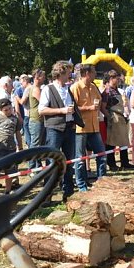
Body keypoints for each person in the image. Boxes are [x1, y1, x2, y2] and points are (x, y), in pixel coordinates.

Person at [39, 60, 77, 199]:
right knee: (52, 162)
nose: (70, 75)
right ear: (60, 73)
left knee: (69, 161)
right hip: (54, 129)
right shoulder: (48, 89)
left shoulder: (68, 89)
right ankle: (47, 195)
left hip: (69, 128)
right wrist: (62, 110)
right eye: (68, 73)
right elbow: (41, 110)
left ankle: (68, 193)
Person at [70, 64, 108, 191]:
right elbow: (72, 108)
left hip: (94, 127)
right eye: (93, 72)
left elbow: (99, 100)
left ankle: (102, 182)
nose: (95, 74)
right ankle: (81, 184)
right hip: (81, 128)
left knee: (102, 154)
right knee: (80, 158)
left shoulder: (93, 87)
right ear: (87, 73)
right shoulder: (75, 88)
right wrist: (89, 108)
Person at [0, 97, 23, 193]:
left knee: (10, 172)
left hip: (11, 149)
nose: (8, 111)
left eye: (10, 109)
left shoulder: (15, 119)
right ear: (1, 110)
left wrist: (20, 147)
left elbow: (18, 134)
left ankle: (7, 191)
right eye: (5, 110)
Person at [102, 70, 134, 170]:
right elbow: (102, 107)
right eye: (116, 77)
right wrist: (109, 117)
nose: (118, 79)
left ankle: (125, 162)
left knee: (123, 141)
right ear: (111, 79)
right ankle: (111, 164)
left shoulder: (117, 90)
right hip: (113, 118)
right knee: (111, 143)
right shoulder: (107, 91)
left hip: (121, 117)